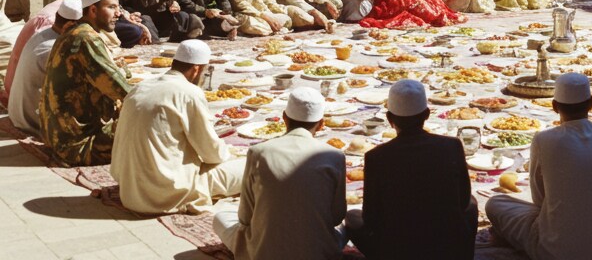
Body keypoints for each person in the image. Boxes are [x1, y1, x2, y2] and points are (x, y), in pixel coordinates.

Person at [486, 72, 592, 260]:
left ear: (554, 106)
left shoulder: (543, 140)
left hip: (557, 252)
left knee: (496, 204)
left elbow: (539, 199)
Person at [345, 79, 477, 260]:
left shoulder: (376, 157)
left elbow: (371, 219)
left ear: (389, 119)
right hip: (448, 248)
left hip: (397, 251)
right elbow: (463, 200)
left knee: (352, 217)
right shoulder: (452, 146)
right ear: (427, 114)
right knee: (472, 204)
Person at [111, 39, 245, 213]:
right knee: (252, 165)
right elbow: (211, 153)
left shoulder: (140, 87)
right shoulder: (189, 92)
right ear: (196, 69)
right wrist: (231, 154)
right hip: (165, 193)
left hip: (130, 191)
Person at [214, 85, 347, 260]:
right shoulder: (335, 156)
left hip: (264, 254)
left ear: (284, 118)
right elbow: (337, 217)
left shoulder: (259, 152)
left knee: (221, 217)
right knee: (352, 219)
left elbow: (245, 217)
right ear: (321, 124)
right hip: (319, 254)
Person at [39, 0, 131, 166]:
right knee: (148, 121)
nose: (118, 13)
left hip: (57, 136)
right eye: (111, 7)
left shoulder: (74, 31)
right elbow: (123, 91)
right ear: (93, 10)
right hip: (77, 144)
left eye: (118, 7)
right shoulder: (85, 38)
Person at [8, 0, 82, 136]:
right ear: (70, 25)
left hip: (17, 115)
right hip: (32, 123)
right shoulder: (55, 48)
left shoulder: (44, 33)